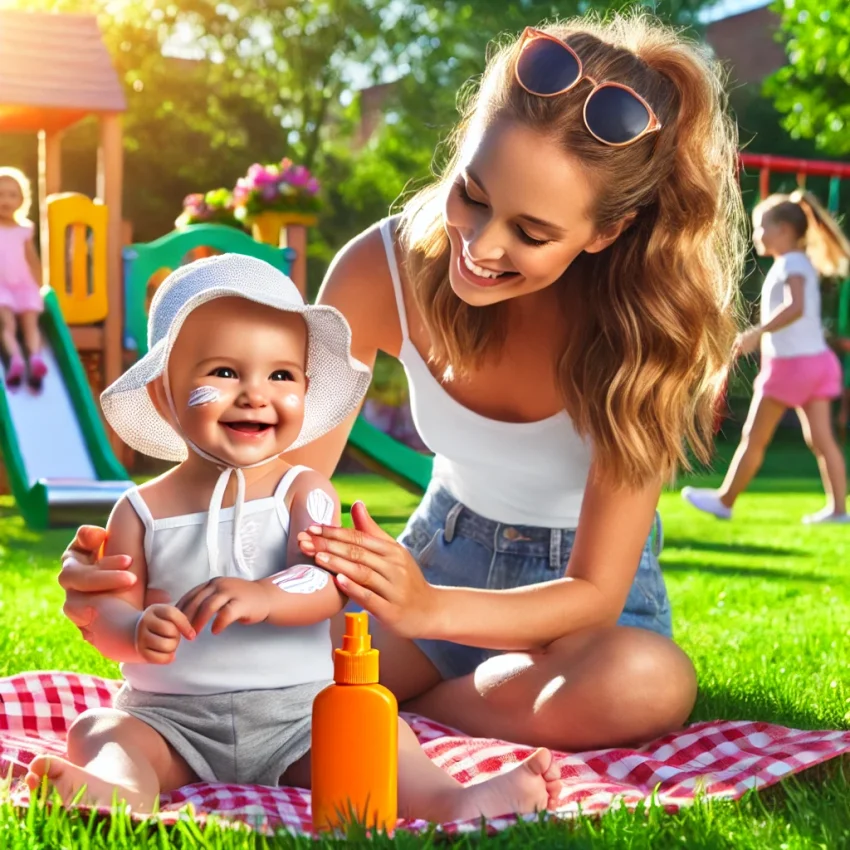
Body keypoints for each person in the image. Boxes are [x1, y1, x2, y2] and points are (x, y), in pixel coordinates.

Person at [58, 12, 745, 755]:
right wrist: (135, 562)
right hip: (437, 553)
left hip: (575, 619)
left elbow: (595, 594)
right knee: (243, 661)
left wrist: (427, 610)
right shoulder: (381, 268)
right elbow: (274, 481)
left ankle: (387, 715)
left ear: (606, 231)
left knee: (645, 683)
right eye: (473, 193)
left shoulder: (650, 331)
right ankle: (388, 710)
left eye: (532, 233)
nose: (480, 245)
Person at [28, 255, 562, 818]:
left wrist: (266, 595)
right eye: (224, 373)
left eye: (281, 376)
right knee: (102, 729)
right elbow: (104, 612)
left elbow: (325, 581)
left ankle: (455, 799)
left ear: (305, 391)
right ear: (163, 395)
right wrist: (134, 630)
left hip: (299, 717)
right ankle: (114, 790)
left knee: (376, 738)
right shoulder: (139, 510)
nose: (256, 394)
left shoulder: (302, 491)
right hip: (169, 718)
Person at [683, 190, 850, 524]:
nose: (756, 234)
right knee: (822, 441)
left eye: (761, 228)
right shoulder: (798, 263)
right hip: (817, 364)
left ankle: (725, 501)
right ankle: (838, 510)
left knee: (754, 437)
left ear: (784, 231)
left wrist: (758, 332)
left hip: (791, 368)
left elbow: (796, 306)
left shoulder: (790, 264)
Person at [0, 167, 47, 389]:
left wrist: (40, 287)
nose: (6, 200)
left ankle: (36, 359)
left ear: (21, 200)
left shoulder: (25, 229)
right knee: (6, 324)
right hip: (1, 287)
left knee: (31, 324)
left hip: (24, 286)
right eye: (0, 194)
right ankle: (17, 360)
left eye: (12, 195)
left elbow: (32, 260)